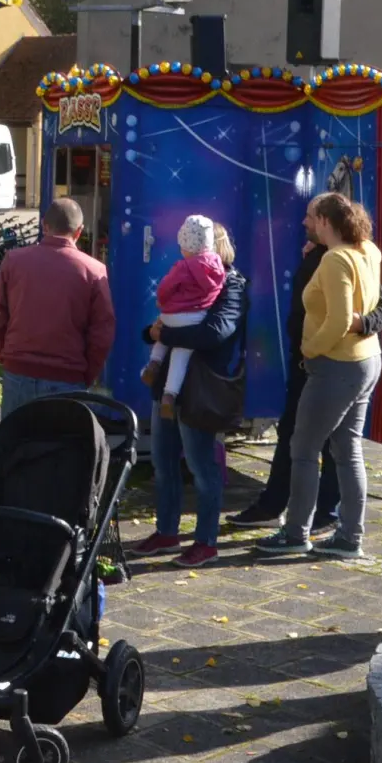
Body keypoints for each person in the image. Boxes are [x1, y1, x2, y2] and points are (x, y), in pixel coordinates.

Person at [227, 197, 382, 535]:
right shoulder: (340, 254)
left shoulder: (341, 257)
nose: (304, 222)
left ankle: (305, 527)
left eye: (310, 217)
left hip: (330, 361)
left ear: (325, 221)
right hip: (345, 361)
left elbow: (368, 312)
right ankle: (338, 530)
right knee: (325, 442)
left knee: (309, 447)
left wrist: (312, 349)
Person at [130, 224, 249, 568]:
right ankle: (166, 531)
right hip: (167, 386)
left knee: (201, 466)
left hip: (200, 389)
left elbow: (216, 332)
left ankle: (205, 540)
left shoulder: (233, 285)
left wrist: (165, 331)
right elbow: (165, 317)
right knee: (163, 464)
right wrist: (152, 331)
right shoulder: (189, 275)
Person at [0, 197, 116, 413]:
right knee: (60, 446)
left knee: (16, 444)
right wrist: (86, 373)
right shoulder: (94, 271)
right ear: (79, 231)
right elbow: (102, 333)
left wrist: (4, 354)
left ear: (44, 225)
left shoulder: (14, 261)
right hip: (68, 378)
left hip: (18, 372)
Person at [140, 215, 225, 419]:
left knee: (164, 332)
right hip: (197, 318)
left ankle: (153, 363)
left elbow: (165, 288)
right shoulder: (218, 267)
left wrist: (163, 301)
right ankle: (170, 395)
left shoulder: (183, 266)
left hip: (173, 315)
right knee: (181, 355)